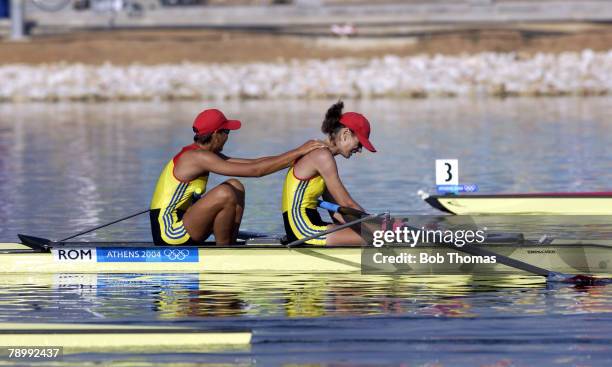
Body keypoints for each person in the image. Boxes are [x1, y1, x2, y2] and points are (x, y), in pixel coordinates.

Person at [150, 108, 326, 246]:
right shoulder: (197, 157)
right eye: (226, 131)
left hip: (183, 222)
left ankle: (227, 246)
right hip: (170, 233)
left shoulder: (203, 154)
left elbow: (255, 163)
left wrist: (298, 155)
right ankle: (225, 252)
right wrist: (299, 151)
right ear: (215, 134)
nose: (228, 136)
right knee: (225, 192)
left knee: (236, 186)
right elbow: (256, 171)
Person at [281, 101, 376, 246]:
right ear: (345, 134)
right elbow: (347, 203)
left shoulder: (323, 157)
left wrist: (363, 228)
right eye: (360, 143)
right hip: (303, 231)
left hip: (310, 225)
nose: (359, 150)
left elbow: (338, 210)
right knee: (377, 237)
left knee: (373, 233)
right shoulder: (322, 156)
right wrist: (379, 230)